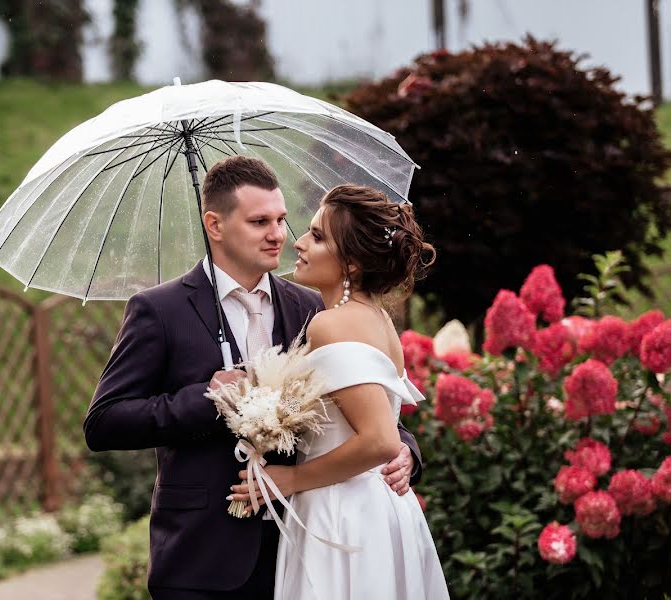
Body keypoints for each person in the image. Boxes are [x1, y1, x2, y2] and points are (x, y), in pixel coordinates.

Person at [84, 157, 422, 599]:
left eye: (282, 219)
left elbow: (366, 410)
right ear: (215, 225)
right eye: (260, 221)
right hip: (203, 556)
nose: (279, 234)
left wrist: (407, 451)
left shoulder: (313, 306)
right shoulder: (159, 310)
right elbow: (104, 423)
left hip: (305, 546)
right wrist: (209, 399)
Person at [229, 184, 448, 599]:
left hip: (342, 514)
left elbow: (380, 440)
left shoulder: (332, 324)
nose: (299, 242)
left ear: (350, 264)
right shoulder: (378, 320)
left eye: (317, 235)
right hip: (376, 507)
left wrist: (290, 478)